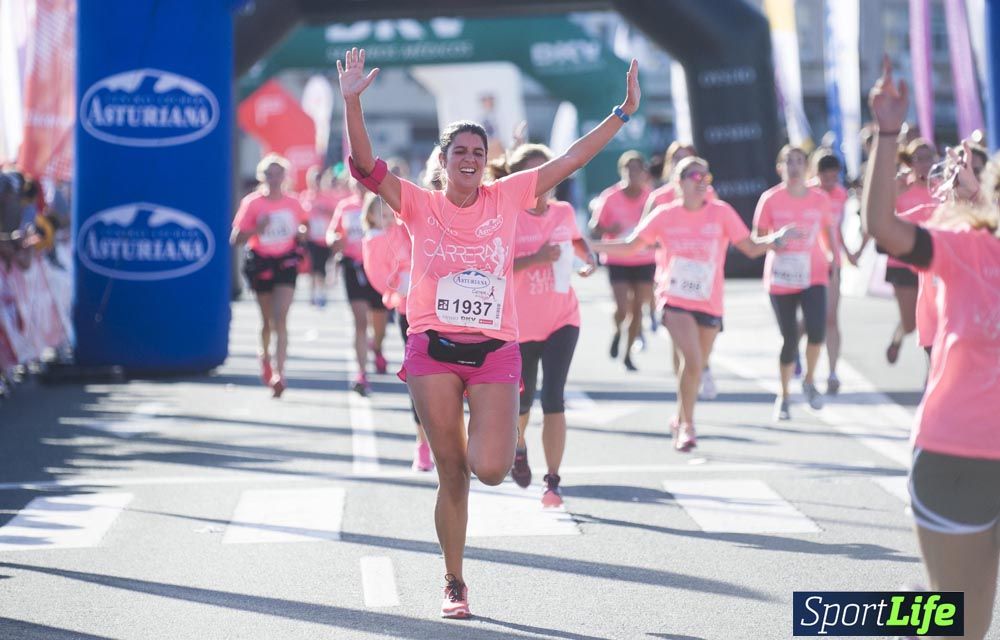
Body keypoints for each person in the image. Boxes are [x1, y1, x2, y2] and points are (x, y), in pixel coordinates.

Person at [337, 46, 640, 619]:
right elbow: (366, 168)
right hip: (433, 346)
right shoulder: (419, 205)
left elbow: (571, 160)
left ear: (486, 161)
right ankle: (454, 582)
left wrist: (622, 114)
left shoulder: (508, 196)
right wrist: (352, 103)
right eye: (461, 152)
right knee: (452, 471)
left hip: (496, 349)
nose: (471, 160)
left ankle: (495, 432)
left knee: (492, 469)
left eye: (478, 152)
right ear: (444, 159)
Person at [863, 57, 1000, 640]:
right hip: (957, 458)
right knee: (962, 625)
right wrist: (889, 134)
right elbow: (884, 230)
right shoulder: (967, 249)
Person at [595, 156, 793, 450]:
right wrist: (587, 246)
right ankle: (688, 427)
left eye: (706, 178)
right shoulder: (665, 214)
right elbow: (631, 245)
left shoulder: (721, 213)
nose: (702, 183)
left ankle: (679, 416)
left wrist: (774, 239)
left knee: (695, 368)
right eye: (695, 177)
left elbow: (749, 247)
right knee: (693, 360)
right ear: (679, 182)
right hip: (674, 298)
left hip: (709, 301)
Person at [497, 143, 597, 507]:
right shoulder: (507, 215)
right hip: (519, 327)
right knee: (522, 403)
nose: (544, 180)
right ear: (519, 180)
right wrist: (536, 257)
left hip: (561, 318)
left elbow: (576, 240)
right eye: (535, 173)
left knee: (554, 397)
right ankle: (519, 446)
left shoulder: (563, 211)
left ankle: (552, 481)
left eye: (548, 171)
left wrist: (589, 259)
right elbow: (497, 269)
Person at [753, 146, 837, 421]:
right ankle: (784, 395)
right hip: (781, 276)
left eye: (799, 161)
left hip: (813, 274)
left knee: (816, 332)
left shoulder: (819, 199)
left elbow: (827, 231)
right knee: (789, 339)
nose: (794, 166)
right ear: (780, 167)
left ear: (807, 167)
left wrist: (832, 257)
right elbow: (757, 239)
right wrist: (776, 238)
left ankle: (810, 380)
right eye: (789, 162)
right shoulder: (770, 199)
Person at [360, 192, 433, 471]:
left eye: (393, 215)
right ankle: (423, 443)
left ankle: (451, 442)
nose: (390, 220)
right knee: (419, 376)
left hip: (443, 308)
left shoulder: (409, 226)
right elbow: (378, 276)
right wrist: (399, 283)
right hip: (409, 309)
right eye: (384, 215)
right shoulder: (375, 240)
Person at [645, 142, 720, 399]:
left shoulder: (708, 195)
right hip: (670, 277)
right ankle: (685, 395)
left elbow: (719, 228)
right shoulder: (659, 198)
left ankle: (701, 368)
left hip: (704, 280)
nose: (680, 162)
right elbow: (643, 238)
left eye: (686, 158)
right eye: (676, 158)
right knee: (681, 345)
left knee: (699, 343)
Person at [231, 154, 307, 398]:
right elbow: (236, 239)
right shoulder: (252, 203)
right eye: (269, 175)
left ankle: (279, 373)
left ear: (285, 177)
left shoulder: (294, 203)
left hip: (285, 262)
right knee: (267, 321)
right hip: (261, 262)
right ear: (261, 177)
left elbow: (304, 229)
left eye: (278, 174)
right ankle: (264, 357)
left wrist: (302, 232)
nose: (274, 179)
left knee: (281, 317)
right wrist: (257, 229)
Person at [589, 150, 653, 371]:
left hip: (645, 259)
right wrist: (609, 229)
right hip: (617, 258)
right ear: (622, 171)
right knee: (623, 308)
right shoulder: (610, 196)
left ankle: (627, 354)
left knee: (638, 309)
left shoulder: (650, 197)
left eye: (637, 169)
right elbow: (594, 227)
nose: (633, 174)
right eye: (629, 169)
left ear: (644, 172)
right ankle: (618, 330)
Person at [328, 180, 389, 396]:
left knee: (379, 324)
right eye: (356, 184)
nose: (360, 188)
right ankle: (362, 372)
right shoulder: (345, 207)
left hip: (380, 270)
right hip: (354, 268)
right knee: (361, 322)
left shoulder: (380, 203)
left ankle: (378, 348)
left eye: (364, 183)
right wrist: (335, 240)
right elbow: (332, 233)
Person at [884, 138, 938, 365]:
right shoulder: (900, 186)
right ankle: (898, 337)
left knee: (936, 322)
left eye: (928, 158)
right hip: (902, 263)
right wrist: (894, 194)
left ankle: (931, 371)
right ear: (910, 162)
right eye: (918, 158)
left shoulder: (940, 189)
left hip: (934, 264)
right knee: (910, 323)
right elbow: (880, 219)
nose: (924, 163)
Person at [807, 150, 851, 394]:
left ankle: (833, 372)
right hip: (808, 263)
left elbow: (837, 229)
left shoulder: (841, 195)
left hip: (832, 263)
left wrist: (848, 253)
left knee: (832, 318)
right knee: (812, 320)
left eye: (835, 177)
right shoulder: (807, 193)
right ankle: (796, 348)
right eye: (826, 177)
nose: (830, 182)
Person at [299, 166, 340, 307]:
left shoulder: (328, 197)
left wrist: (325, 210)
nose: (316, 182)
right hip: (311, 238)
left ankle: (321, 293)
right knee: (313, 267)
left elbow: (336, 215)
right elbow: (301, 217)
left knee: (322, 267)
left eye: (318, 179)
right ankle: (313, 294)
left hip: (325, 239)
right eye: (314, 179)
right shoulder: (305, 196)